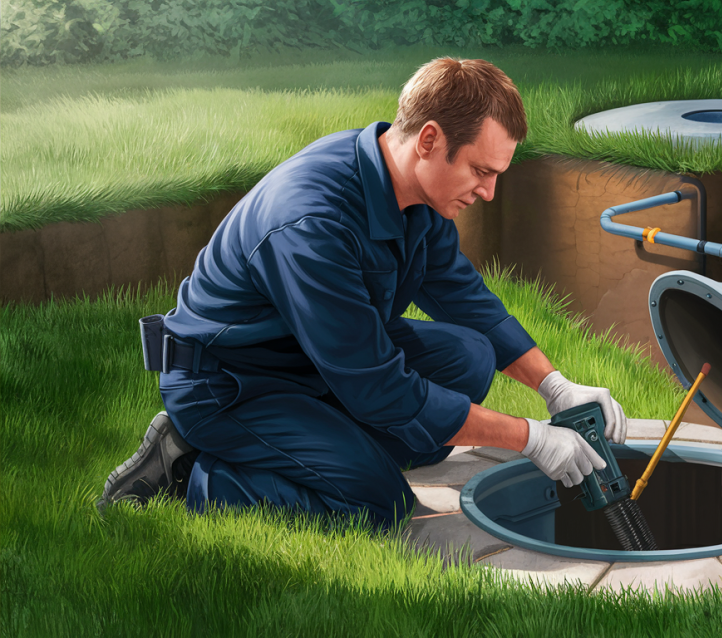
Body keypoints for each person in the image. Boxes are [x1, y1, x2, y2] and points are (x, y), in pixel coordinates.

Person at [97, 57, 628, 532]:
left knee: (471, 359)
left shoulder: (416, 191)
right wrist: (531, 438)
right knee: (377, 505)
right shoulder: (311, 222)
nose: (488, 192)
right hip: (233, 381)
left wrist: (557, 386)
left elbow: (464, 297)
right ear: (429, 141)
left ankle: (323, 448)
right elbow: (380, 388)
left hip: (312, 361)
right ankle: (194, 470)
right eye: (481, 171)